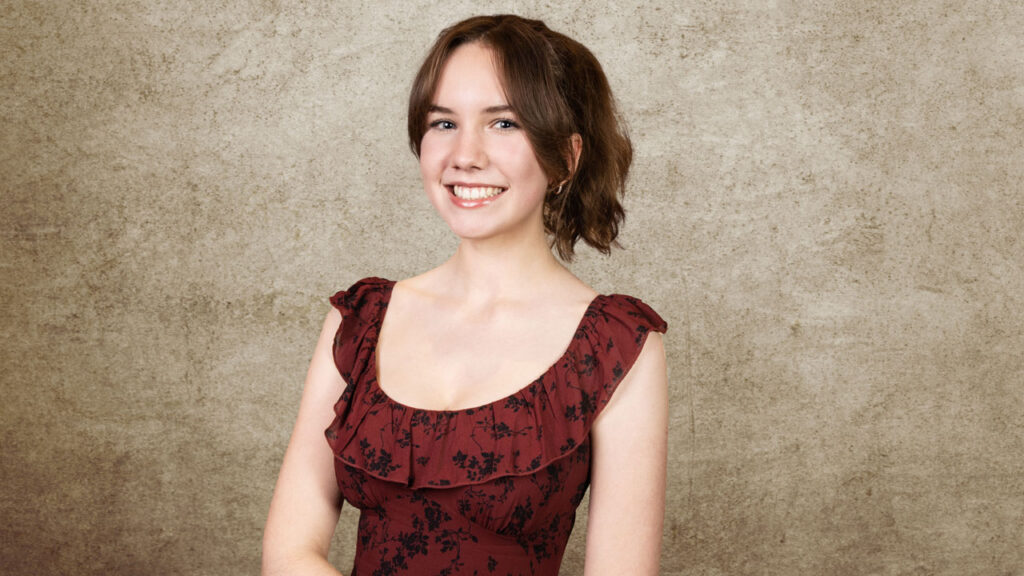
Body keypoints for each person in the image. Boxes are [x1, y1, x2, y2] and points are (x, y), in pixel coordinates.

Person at [263, 14, 668, 576]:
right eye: (444, 123)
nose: (465, 155)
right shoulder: (360, 321)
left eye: (504, 124)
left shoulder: (615, 347)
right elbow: (289, 553)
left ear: (567, 158)